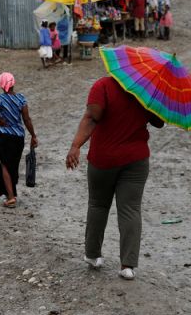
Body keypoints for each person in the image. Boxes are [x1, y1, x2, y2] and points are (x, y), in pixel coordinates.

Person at [65, 75, 165, 279]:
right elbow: (159, 122)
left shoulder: (102, 86)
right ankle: (128, 266)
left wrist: (75, 146)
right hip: (136, 160)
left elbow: (92, 117)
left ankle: (93, 255)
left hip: (104, 159)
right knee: (130, 209)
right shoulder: (146, 91)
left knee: (98, 205)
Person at [0, 72, 38, 208]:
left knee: (5, 165)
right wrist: (33, 135)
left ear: (1, 85)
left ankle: (11, 197)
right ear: (13, 83)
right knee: (13, 165)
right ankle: (11, 192)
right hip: (19, 137)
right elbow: (27, 119)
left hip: (4, 136)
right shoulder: (21, 99)